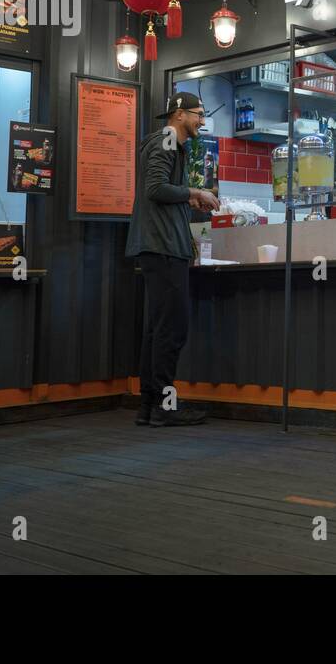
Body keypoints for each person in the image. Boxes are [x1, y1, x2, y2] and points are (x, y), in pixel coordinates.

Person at [125, 91, 220, 427]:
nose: (202, 120)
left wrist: (186, 201)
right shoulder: (166, 139)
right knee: (172, 329)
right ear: (179, 114)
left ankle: (149, 408)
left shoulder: (167, 143)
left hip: (159, 246)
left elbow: (161, 191)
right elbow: (154, 188)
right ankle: (164, 407)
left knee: (157, 329)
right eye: (198, 114)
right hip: (163, 247)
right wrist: (195, 192)